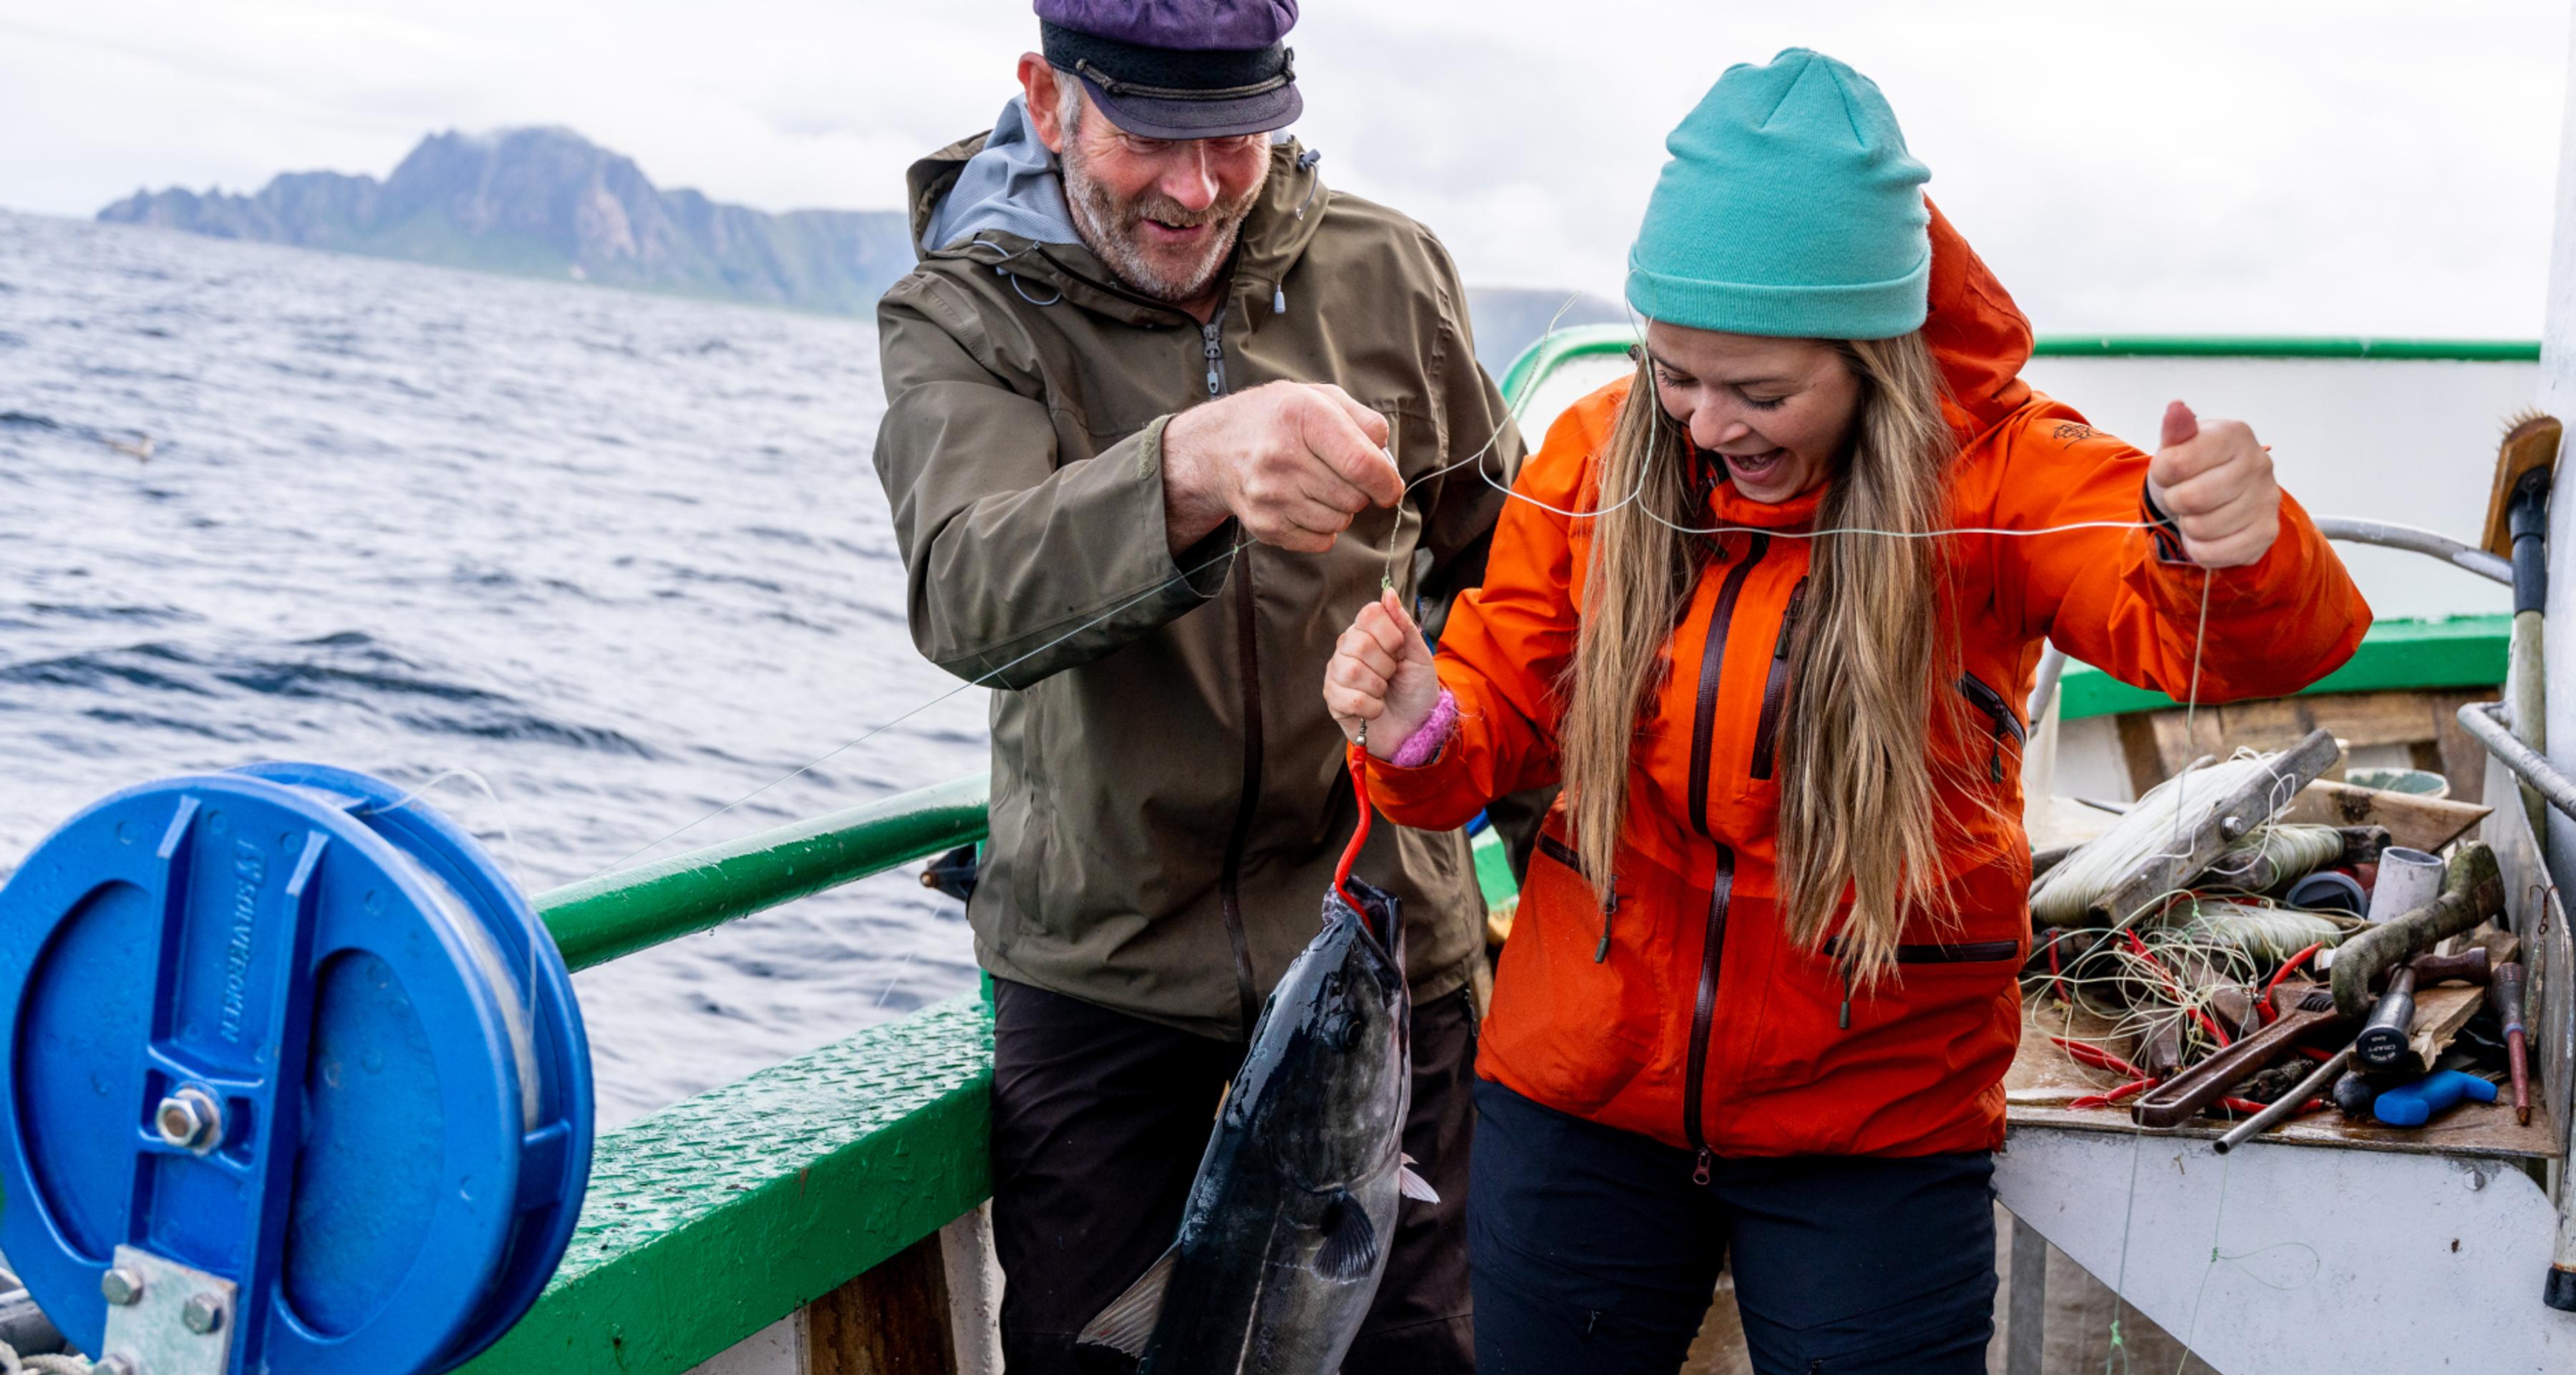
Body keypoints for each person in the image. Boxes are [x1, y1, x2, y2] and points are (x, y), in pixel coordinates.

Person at [1320, 50, 2371, 1375]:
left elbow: (2240, 637)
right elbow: (1493, 728)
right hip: (1580, 1104)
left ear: (1875, 354)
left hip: (1874, 1130)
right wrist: (1419, 719)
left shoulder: (2003, 473)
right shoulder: (1596, 450)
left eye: (1762, 393)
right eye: (1676, 375)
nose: (1707, 426)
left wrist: (2234, 543)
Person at [871, 2, 1515, 1369]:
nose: (1199, 185)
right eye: (1152, 135)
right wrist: (1187, 468)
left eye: (1238, 136)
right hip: (1111, 994)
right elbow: (965, 591)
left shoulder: (1393, 274)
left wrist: (1452, 728)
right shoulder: (964, 310)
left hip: (1384, 976)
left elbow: (1510, 580)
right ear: (1047, 101)